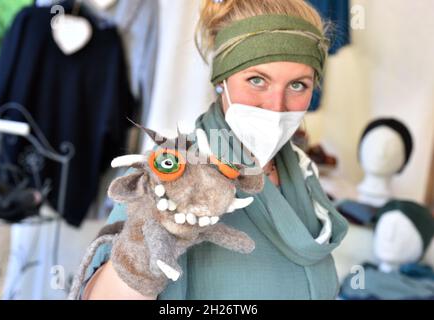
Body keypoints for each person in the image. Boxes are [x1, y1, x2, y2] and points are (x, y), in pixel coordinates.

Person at [81, 0, 348, 300]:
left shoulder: (302, 173)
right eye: (257, 80)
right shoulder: (169, 174)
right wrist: (154, 231)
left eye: (298, 85)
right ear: (222, 79)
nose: (276, 106)